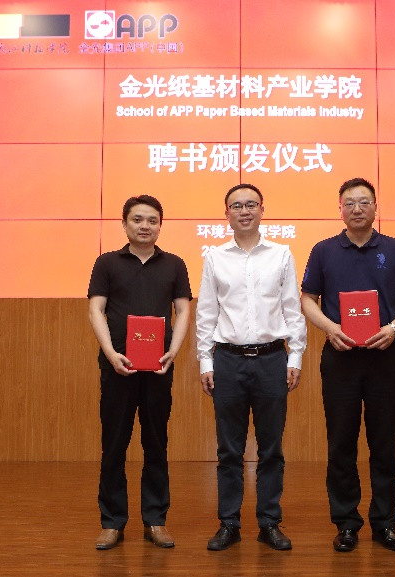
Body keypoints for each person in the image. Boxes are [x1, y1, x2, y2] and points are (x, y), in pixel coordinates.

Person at [300, 177, 395, 553]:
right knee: (341, 444)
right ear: (340, 209)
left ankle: (385, 524)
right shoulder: (323, 250)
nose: (357, 208)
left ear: (375, 207)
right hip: (340, 358)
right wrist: (330, 328)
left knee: (384, 444)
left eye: (364, 202)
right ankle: (346, 523)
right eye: (349, 203)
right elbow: (307, 299)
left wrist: (394, 328)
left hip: (385, 357)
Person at [196, 183, 307, 551]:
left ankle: (269, 522)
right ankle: (229, 523)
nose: (244, 211)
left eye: (250, 205)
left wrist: (295, 356)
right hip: (227, 360)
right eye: (236, 206)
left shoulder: (281, 254)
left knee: (271, 448)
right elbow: (207, 313)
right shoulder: (215, 257)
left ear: (262, 210)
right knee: (229, 450)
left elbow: (292, 309)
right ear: (226, 214)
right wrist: (205, 360)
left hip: (272, 359)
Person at [87, 195, 192, 550]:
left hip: (159, 367)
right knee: (114, 444)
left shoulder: (174, 264)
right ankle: (112, 522)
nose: (145, 226)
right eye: (137, 219)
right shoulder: (106, 262)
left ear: (160, 225)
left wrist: (173, 351)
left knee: (156, 443)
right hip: (118, 366)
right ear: (124, 224)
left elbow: (183, 311)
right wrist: (110, 353)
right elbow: (96, 310)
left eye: (152, 220)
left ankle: (156, 520)